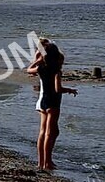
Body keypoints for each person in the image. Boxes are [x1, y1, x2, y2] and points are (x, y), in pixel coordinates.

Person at [26, 38, 77, 171]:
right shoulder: (56, 72)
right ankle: (47, 162)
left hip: (43, 101)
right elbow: (57, 89)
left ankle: (41, 162)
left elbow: (28, 70)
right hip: (53, 102)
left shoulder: (41, 68)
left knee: (42, 132)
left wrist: (38, 60)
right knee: (50, 133)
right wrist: (69, 90)